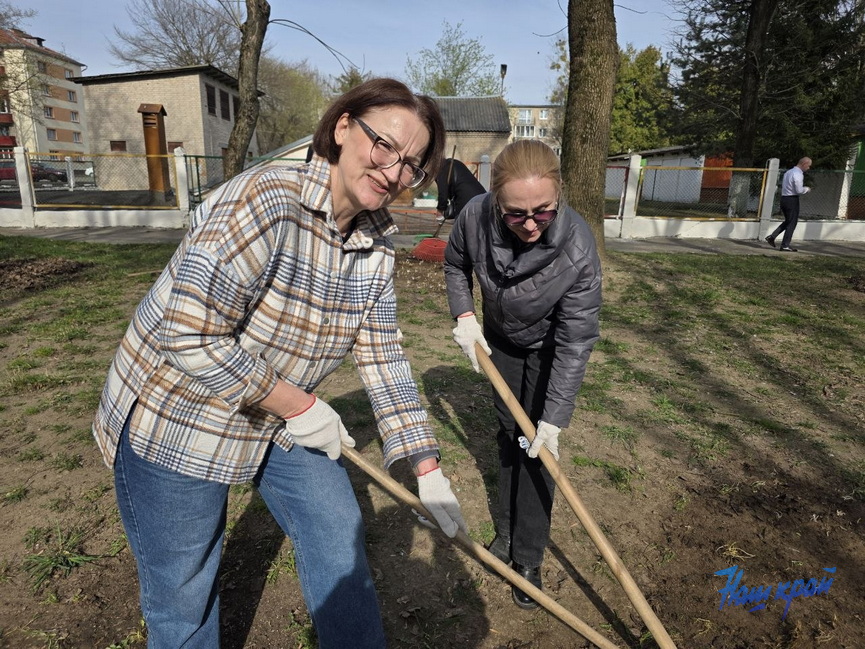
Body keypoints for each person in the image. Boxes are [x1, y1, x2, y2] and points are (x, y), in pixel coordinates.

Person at [91, 78, 467, 648]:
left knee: (336, 528)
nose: (393, 171)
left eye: (411, 164)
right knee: (184, 594)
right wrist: (299, 403)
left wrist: (424, 464)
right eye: (384, 145)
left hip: (280, 415)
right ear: (343, 127)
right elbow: (188, 334)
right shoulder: (265, 200)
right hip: (180, 417)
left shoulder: (376, 243)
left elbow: (384, 355)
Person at [443, 140, 601, 610]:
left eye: (544, 211)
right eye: (516, 214)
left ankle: (529, 556)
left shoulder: (577, 244)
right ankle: (507, 533)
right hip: (501, 341)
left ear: (559, 198)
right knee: (510, 432)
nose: (531, 224)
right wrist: (464, 316)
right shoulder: (473, 216)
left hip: (551, 348)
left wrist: (554, 418)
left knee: (538, 446)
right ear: (495, 201)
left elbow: (576, 338)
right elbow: (455, 264)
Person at [766, 156, 812, 252]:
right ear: (804, 164)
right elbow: (798, 190)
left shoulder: (788, 172)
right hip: (792, 200)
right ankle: (785, 245)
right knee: (792, 222)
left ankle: (772, 237)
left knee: (788, 221)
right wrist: (806, 189)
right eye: (808, 166)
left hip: (784, 198)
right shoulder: (798, 174)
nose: (809, 168)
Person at [435, 156, 486, 223]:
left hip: (467, 203)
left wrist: (440, 212)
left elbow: (443, 194)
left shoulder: (442, 169)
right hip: (483, 198)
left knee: (464, 228)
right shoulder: (454, 163)